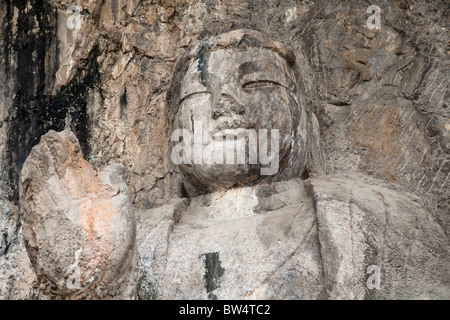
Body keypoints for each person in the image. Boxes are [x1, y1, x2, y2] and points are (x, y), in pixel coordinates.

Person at [137, 29, 449, 300]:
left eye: (256, 82)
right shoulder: (137, 240)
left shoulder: (381, 219)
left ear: (304, 119)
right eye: (202, 90)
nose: (226, 104)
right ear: (172, 129)